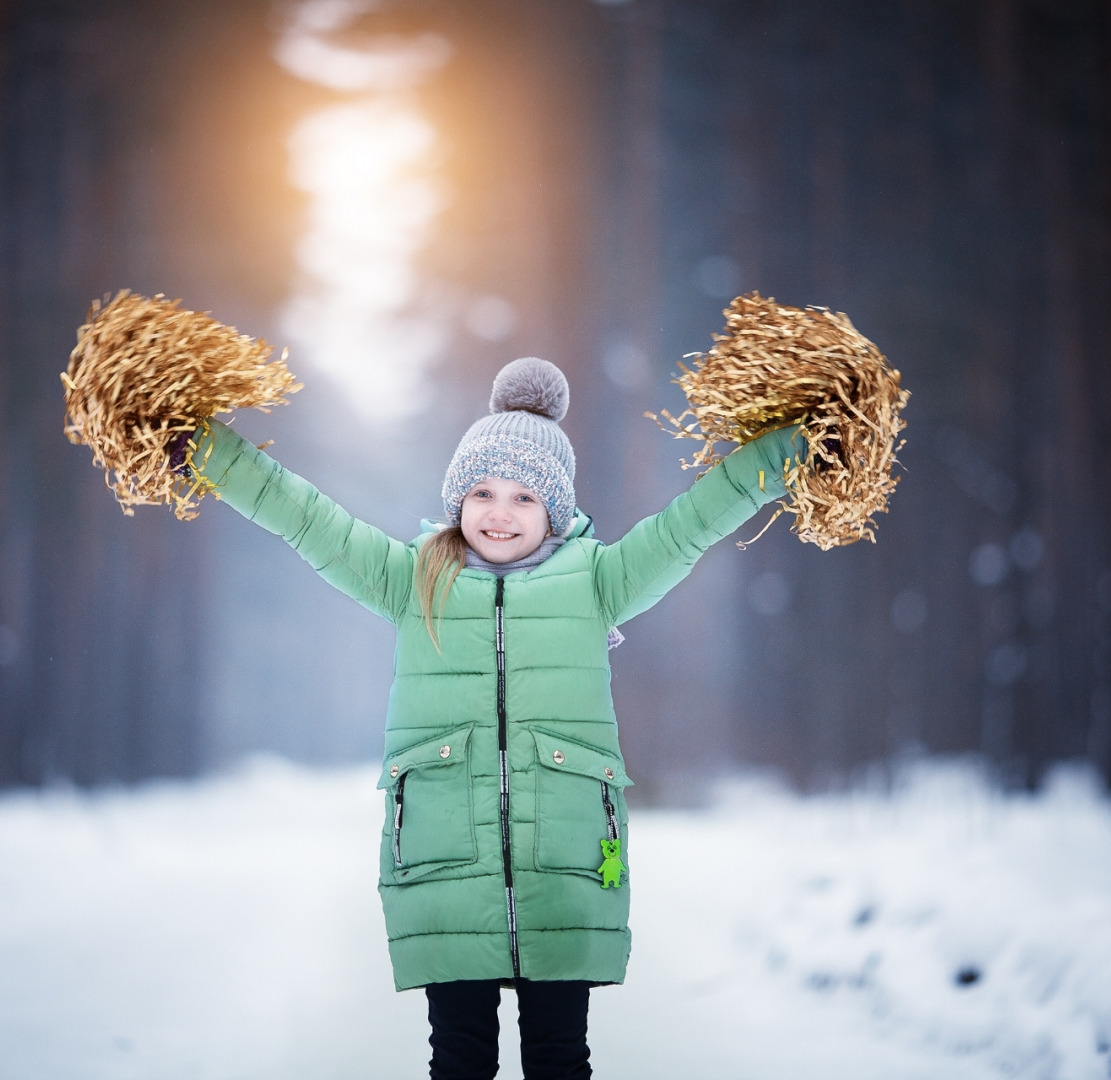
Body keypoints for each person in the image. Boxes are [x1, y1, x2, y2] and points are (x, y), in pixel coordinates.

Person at [188, 357, 802, 1080]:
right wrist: (204, 449)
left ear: (556, 512)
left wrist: (791, 448)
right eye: (480, 491)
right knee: (459, 1059)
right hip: (446, 865)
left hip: (566, 866)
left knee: (558, 1058)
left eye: (522, 497)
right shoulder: (412, 578)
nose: (498, 513)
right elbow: (305, 518)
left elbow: (691, 524)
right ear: (456, 501)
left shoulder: (598, 581)